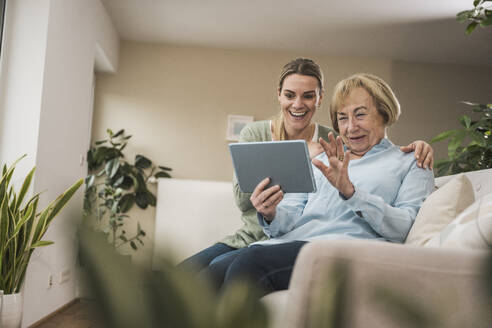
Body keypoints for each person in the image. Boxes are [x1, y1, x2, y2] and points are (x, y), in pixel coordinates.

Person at [178, 59, 434, 271]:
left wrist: (351, 192)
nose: (350, 127)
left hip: (328, 249)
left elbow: (403, 227)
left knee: (247, 263)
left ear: (384, 112)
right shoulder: (324, 158)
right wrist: (270, 212)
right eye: (343, 118)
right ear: (279, 96)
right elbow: (287, 214)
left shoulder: (406, 159)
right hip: (270, 239)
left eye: (361, 114)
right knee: (202, 275)